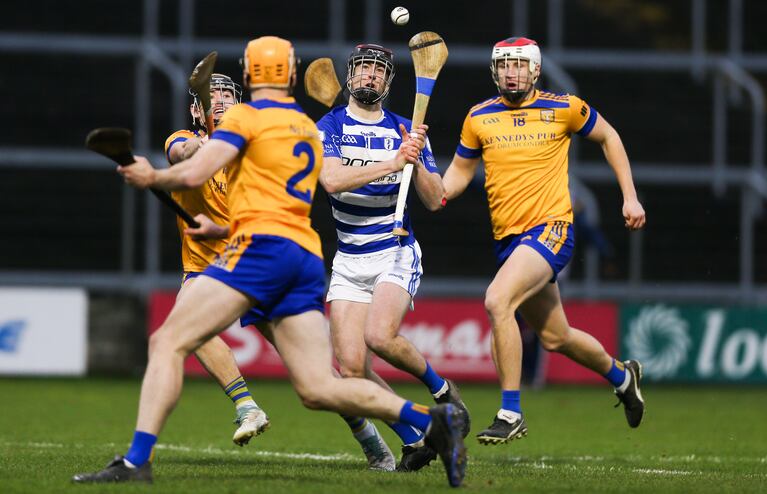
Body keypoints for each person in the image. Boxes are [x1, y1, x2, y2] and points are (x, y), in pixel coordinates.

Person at [72, 36, 466, 488]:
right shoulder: (303, 125)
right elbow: (273, 196)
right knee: (320, 387)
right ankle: (431, 420)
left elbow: (195, 170)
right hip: (302, 255)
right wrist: (222, 228)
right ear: (292, 76)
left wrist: (150, 175)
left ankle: (136, 461)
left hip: (259, 252)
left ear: (248, 76)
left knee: (167, 341)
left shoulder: (249, 118)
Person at [441, 37, 647, 445]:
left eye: (519, 65)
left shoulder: (564, 107)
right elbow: (458, 175)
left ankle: (510, 412)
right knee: (556, 337)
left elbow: (609, 137)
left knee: (497, 300)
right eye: (504, 65)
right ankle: (623, 377)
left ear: (535, 70)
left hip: (551, 228)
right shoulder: (478, 116)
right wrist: (433, 187)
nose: (511, 72)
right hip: (509, 240)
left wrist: (630, 196)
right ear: (494, 71)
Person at [316, 43, 469, 470]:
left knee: (380, 337)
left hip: (393, 249)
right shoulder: (329, 125)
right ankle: (415, 438)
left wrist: (415, 161)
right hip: (348, 258)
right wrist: (393, 162)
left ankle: (443, 393)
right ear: (350, 75)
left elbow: (436, 199)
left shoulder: (406, 128)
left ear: (388, 81)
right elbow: (331, 181)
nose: (370, 75)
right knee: (350, 370)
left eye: (378, 71)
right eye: (363, 68)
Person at [163, 72, 268, 447]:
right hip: (206, 267)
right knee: (186, 326)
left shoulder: (253, 153)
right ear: (197, 111)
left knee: (314, 378)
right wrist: (203, 147)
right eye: (211, 96)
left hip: (256, 262)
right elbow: (181, 153)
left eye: (226, 95)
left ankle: (373, 434)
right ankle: (247, 406)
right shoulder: (183, 139)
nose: (219, 100)